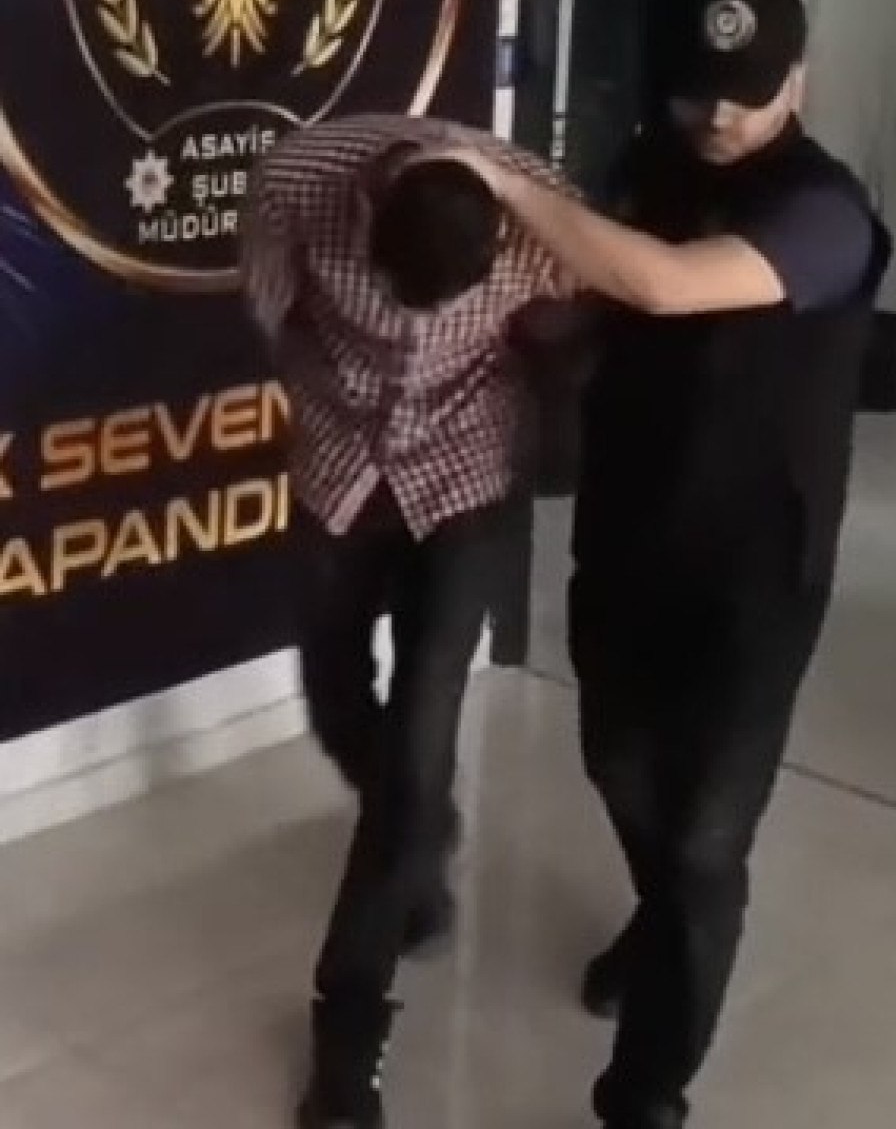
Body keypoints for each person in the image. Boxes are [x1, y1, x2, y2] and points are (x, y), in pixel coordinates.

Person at [451, 0, 891, 1129]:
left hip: (757, 571)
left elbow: (662, 281)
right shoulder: (648, 166)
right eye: (700, 89)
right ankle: (664, 922)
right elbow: (590, 294)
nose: (719, 114)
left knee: (703, 837)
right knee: (620, 769)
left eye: (746, 91)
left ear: (798, 80)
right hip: (629, 536)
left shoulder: (824, 210)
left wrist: (504, 181)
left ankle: (644, 1094)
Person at [240, 114, 577, 1129]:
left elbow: (586, 306)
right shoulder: (296, 182)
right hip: (339, 465)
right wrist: (328, 389)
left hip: (465, 478)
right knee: (334, 695)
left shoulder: (538, 203)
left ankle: (348, 1032)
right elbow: (270, 311)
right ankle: (419, 832)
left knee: (420, 732)